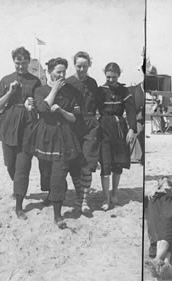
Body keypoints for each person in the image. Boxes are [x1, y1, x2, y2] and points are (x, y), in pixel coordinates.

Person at [26, 57, 82, 228]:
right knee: (46, 171)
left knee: (59, 173)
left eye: (64, 71)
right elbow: (42, 108)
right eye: (58, 72)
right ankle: (50, 195)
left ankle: (57, 215)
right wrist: (55, 90)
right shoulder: (41, 90)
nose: (62, 75)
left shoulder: (71, 91)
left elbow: (74, 117)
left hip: (64, 135)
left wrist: (62, 111)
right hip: (44, 135)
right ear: (50, 72)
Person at [0, 47, 42, 219]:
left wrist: (33, 102)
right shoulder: (6, 80)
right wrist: (10, 92)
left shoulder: (35, 81)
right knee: (10, 164)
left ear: (29, 62)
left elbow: (40, 102)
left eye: (24, 63)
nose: (20, 66)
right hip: (8, 124)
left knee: (23, 167)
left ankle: (19, 206)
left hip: (28, 125)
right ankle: (18, 188)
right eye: (17, 63)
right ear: (14, 62)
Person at [98, 63, 137, 211]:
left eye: (114, 77)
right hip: (104, 128)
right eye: (108, 77)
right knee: (106, 163)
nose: (111, 80)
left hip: (120, 129)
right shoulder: (100, 91)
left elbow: (131, 110)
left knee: (118, 163)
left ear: (119, 75)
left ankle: (114, 193)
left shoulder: (124, 90)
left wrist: (132, 129)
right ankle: (106, 198)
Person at [65, 51, 100, 213]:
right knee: (74, 164)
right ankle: (79, 195)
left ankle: (84, 201)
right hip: (73, 125)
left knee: (87, 163)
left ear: (89, 66)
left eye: (84, 66)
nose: (81, 69)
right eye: (78, 66)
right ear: (74, 65)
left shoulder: (93, 83)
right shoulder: (68, 83)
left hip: (90, 125)